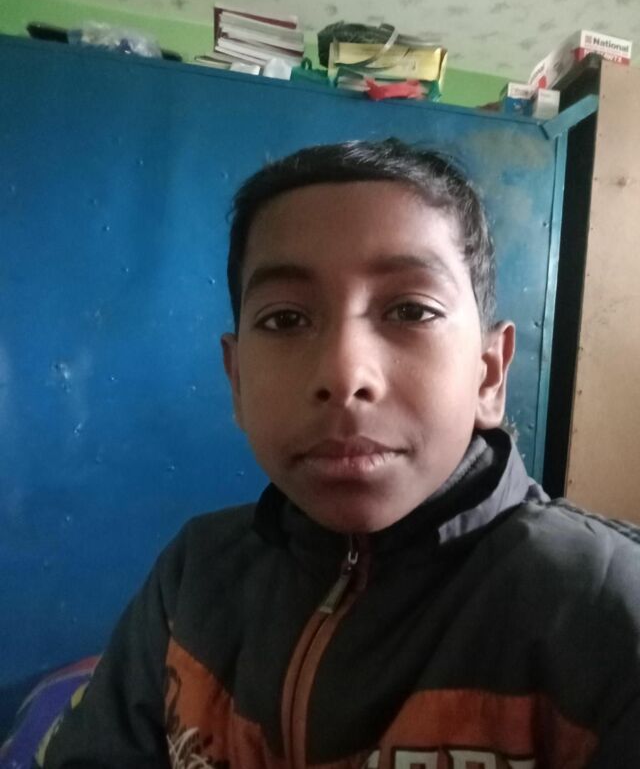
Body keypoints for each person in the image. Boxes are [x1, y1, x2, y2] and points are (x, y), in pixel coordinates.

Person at [41, 139, 640, 769]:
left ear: (488, 376)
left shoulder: (606, 615)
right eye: (285, 320)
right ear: (237, 380)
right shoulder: (193, 581)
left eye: (411, 310)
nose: (344, 373)